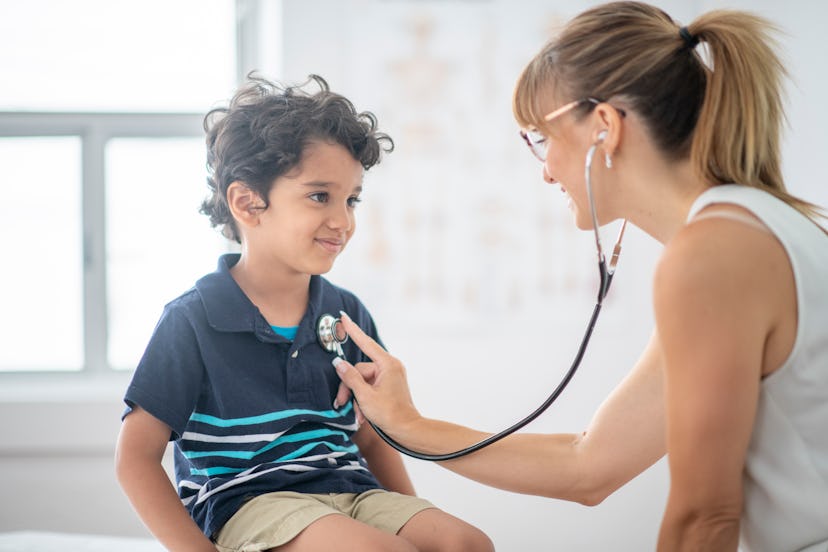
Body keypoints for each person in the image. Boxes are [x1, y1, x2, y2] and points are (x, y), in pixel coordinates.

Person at [332, 2, 828, 551]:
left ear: (605, 126)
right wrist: (408, 424)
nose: (544, 170)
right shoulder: (754, 230)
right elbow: (590, 465)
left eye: (541, 138)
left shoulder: (713, 255)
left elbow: (704, 518)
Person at [114, 74, 494, 552]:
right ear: (248, 203)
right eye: (320, 196)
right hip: (252, 503)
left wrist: (413, 520)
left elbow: (372, 439)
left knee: (466, 544)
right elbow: (135, 459)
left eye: (351, 199)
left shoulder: (346, 313)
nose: (344, 220)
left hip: (352, 490)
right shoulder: (191, 320)